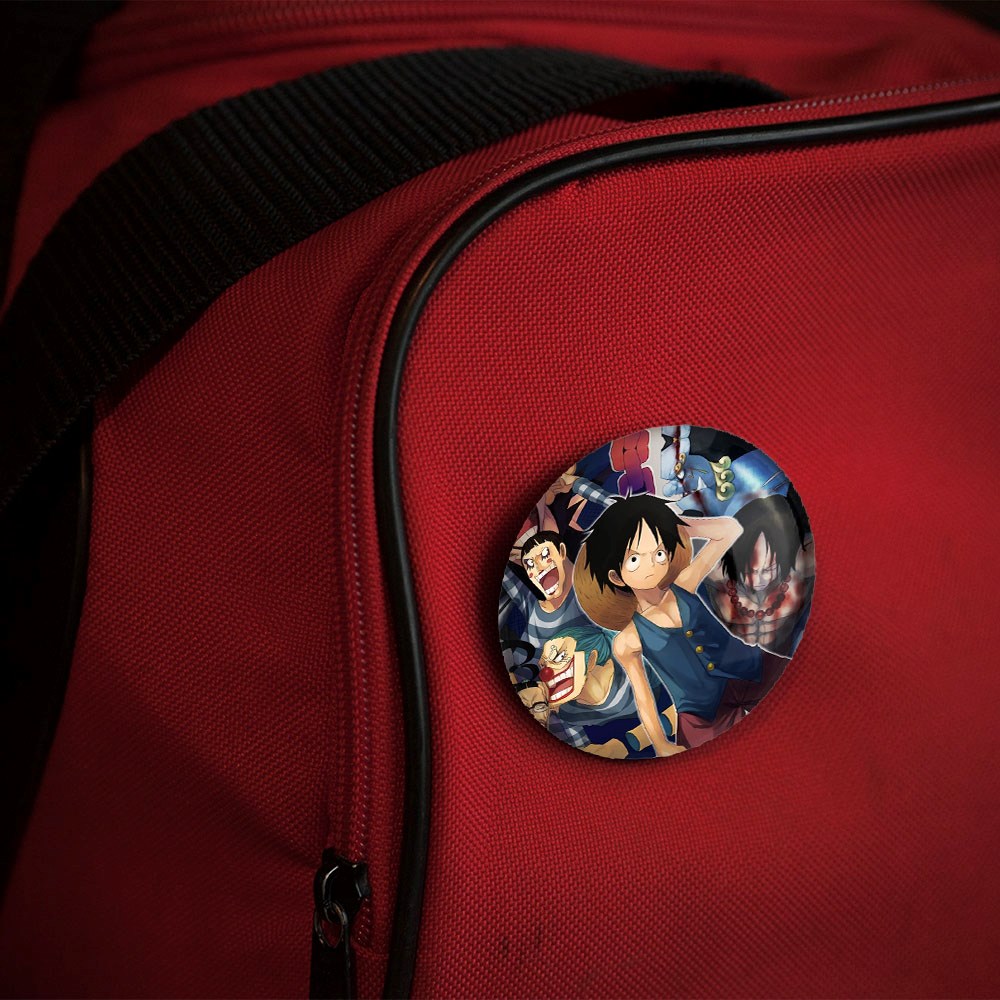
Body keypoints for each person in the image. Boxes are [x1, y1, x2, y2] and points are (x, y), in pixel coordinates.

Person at [583, 494, 763, 755]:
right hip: (701, 714)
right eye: (634, 559)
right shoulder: (627, 640)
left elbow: (730, 529)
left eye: (658, 553)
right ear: (616, 577)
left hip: (751, 669)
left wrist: (673, 523)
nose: (650, 565)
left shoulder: (683, 584)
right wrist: (661, 745)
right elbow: (644, 697)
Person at [535, 624, 683, 758]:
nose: (546, 672)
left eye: (560, 657)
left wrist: (628, 743)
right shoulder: (571, 715)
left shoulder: (639, 665)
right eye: (543, 665)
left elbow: (685, 709)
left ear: (591, 659)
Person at [701, 494, 815, 658]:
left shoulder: (800, 575)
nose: (757, 581)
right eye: (749, 572)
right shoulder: (715, 576)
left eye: (768, 570)